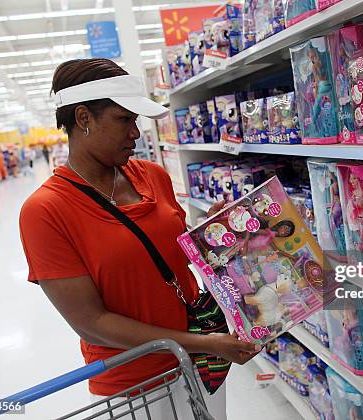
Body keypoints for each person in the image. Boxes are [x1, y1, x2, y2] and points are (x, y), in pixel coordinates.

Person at [19, 58, 258, 420]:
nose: (136, 132)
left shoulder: (152, 175)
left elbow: (175, 256)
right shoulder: (45, 211)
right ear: (83, 118)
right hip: (137, 382)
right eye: (124, 119)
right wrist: (202, 344)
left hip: (201, 362)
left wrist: (214, 235)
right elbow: (91, 323)